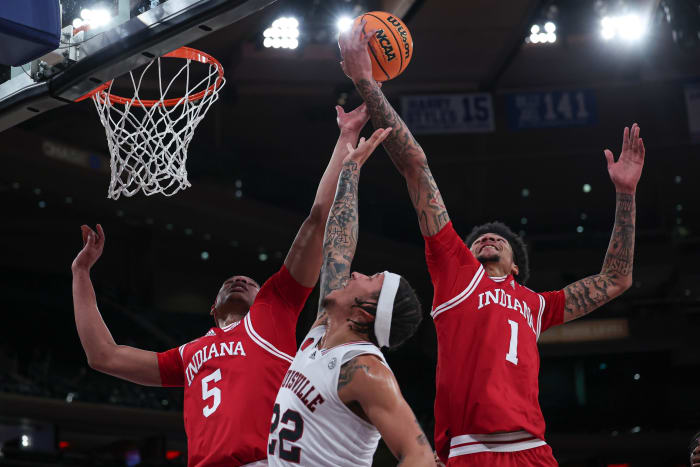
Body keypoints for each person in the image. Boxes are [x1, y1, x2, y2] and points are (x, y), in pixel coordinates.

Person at [339, 20, 644, 466]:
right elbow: (416, 166)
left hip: (534, 452)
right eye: (481, 237)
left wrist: (626, 194)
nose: (487, 237)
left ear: (515, 265)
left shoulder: (536, 305)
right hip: (469, 450)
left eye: (498, 240)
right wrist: (367, 83)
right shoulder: (457, 272)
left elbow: (617, 279)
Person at [71, 103, 374, 467]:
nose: (240, 279)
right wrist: (81, 274)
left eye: (250, 282)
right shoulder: (187, 354)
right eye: (230, 281)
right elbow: (103, 355)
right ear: (212, 309)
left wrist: (346, 137)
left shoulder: (273, 310)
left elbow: (317, 220)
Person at [267, 127, 434, 466]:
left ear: (366, 313)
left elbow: (419, 454)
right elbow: (337, 246)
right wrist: (351, 170)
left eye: (369, 279)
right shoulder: (322, 330)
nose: (355, 273)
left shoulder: (365, 370)